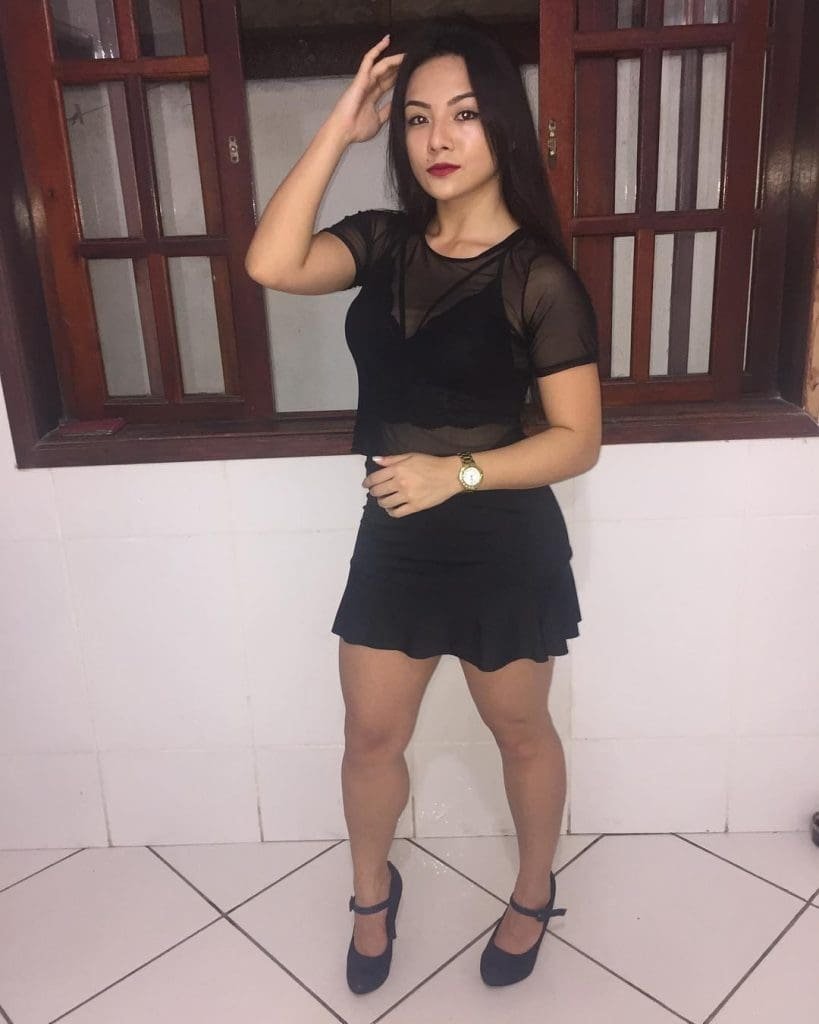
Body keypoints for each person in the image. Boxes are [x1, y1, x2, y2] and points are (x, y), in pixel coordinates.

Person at [245, 13, 602, 995]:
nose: (438, 138)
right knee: (370, 736)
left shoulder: (538, 275)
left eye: (465, 115)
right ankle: (372, 895)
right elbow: (271, 263)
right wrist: (340, 126)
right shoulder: (384, 243)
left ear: (505, 129)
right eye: (416, 118)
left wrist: (462, 472)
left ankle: (533, 889)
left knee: (519, 732)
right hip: (395, 534)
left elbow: (578, 439)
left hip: (502, 538)